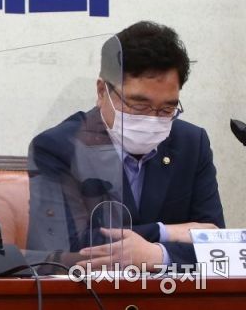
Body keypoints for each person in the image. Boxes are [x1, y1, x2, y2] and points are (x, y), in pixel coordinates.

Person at [27, 21, 223, 269]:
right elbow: (66, 247)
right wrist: (164, 232)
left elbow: (218, 244)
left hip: (172, 291)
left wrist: (159, 256)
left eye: (167, 109)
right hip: (92, 291)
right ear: (102, 92)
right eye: (139, 106)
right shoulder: (57, 148)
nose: (152, 119)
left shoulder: (192, 143)